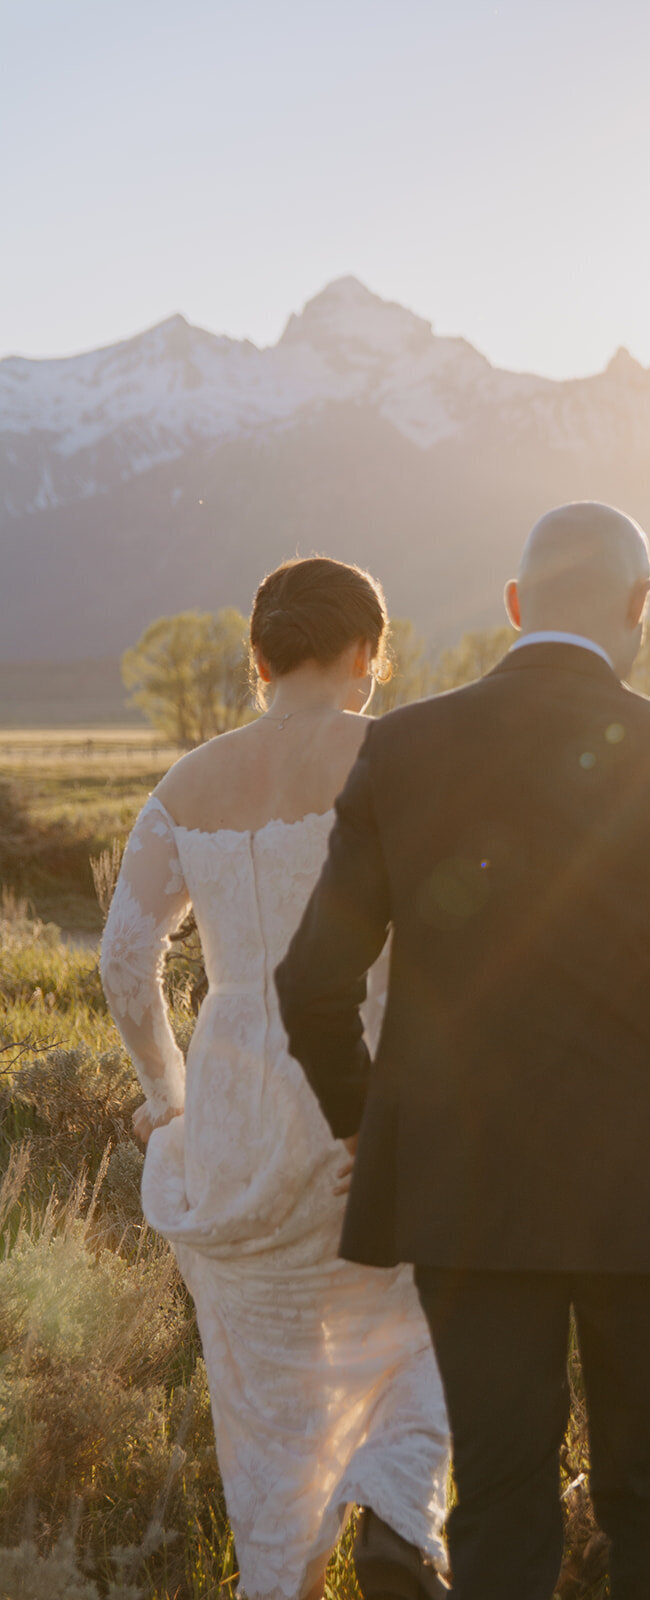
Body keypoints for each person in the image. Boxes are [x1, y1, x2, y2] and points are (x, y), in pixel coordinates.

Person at [276, 504, 650, 1600]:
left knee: (497, 1501)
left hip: (466, 1195)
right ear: (639, 611)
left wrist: (370, 1123)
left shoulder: (401, 750)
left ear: (515, 607)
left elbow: (310, 983)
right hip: (648, 1201)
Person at [100, 556, 450, 1600]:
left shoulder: (185, 784)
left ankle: (288, 1575)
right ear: (364, 655)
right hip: (367, 1085)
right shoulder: (396, 758)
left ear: (257, 659)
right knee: (416, 1321)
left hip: (236, 1113)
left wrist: (170, 1098)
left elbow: (125, 959)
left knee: (264, 1380)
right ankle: (395, 1513)